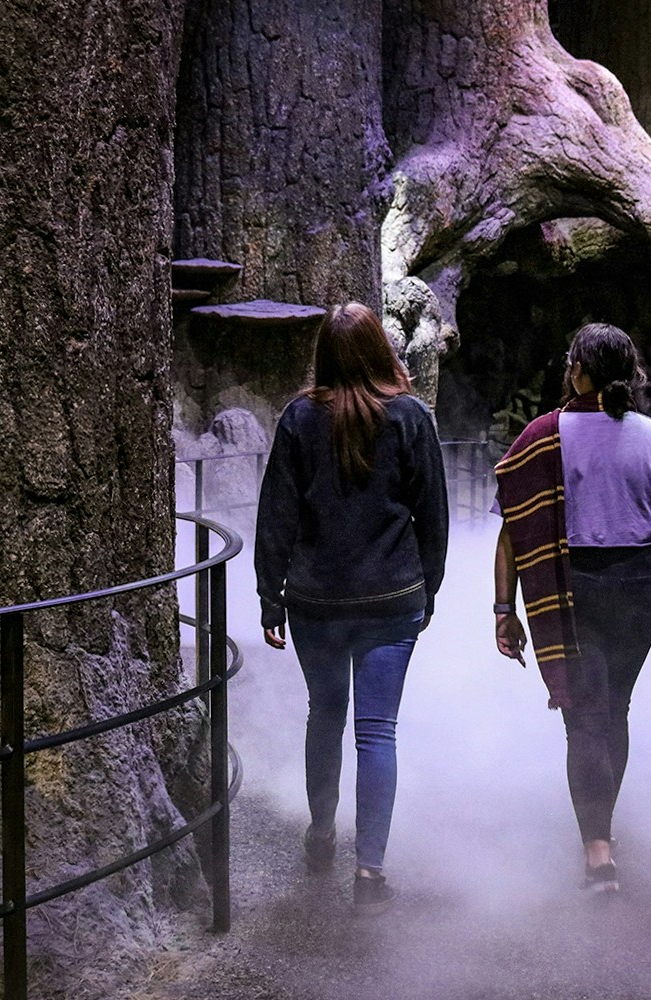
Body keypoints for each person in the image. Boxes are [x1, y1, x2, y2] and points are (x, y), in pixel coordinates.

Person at [492, 322, 651, 894]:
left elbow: (512, 532)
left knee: (585, 718)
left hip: (571, 587)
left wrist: (504, 607)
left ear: (578, 371)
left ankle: (597, 851)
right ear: (631, 375)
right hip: (639, 584)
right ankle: (602, 827)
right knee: (615, 709)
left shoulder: (541, 436)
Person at [254, 302, 448, 915]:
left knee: (325, 714)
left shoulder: (299, 418)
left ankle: (321, 832)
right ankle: (369, 874)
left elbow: (277, 512)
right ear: (379, 351)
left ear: (326, 356)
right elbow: (432, 513)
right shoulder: (410, 417)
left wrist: (270, 595)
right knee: (377, 731)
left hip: (316, 601)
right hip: (392, 597)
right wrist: (429, 588)